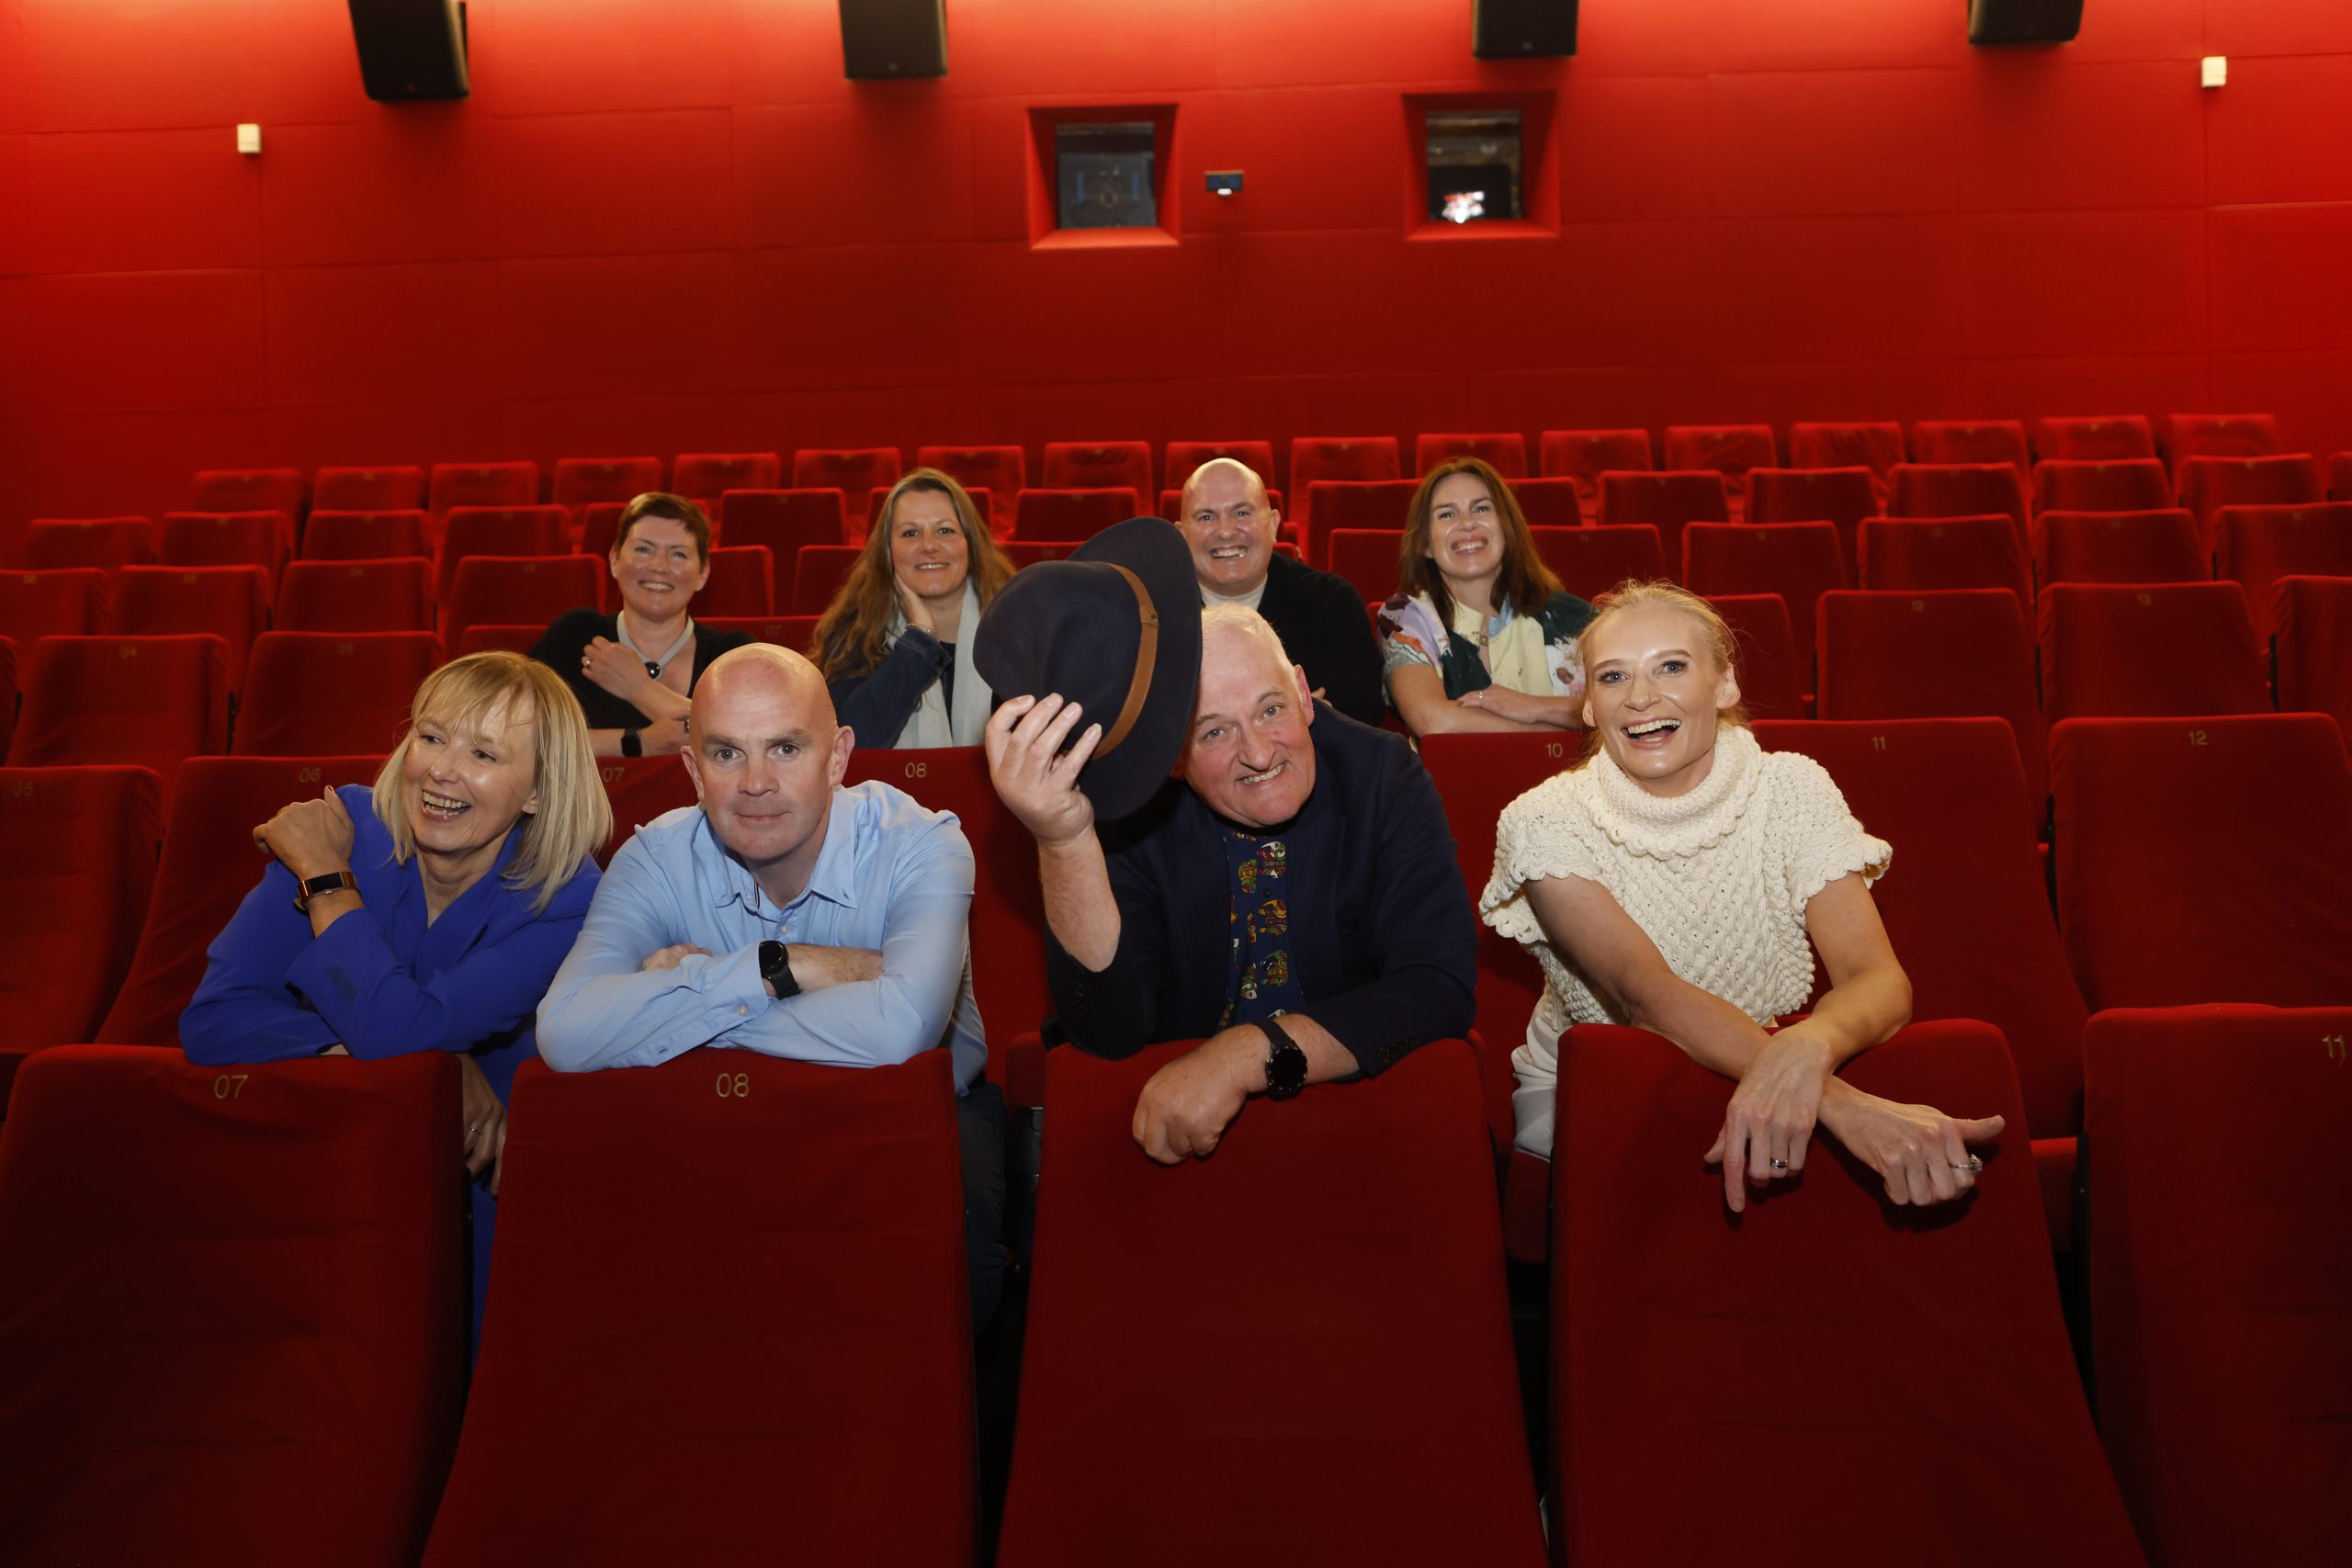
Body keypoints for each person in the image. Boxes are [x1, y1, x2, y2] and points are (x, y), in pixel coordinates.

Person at [1479, 581, 2003, 1210]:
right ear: (1589, 705)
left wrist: (1806, 1047)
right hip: (1605, 1086)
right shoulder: (1544, 821)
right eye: (1613, 676)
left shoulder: (1793, 789)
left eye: (1671, 666)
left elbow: (1878, 979)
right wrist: (1843, 1105)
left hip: (1778, 1050)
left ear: (1724, 684)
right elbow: (1645, 996)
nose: (1641, 697)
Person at [535, 644, 1005, 1329]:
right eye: (727, 754)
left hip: (905, 1121)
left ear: (839, 756)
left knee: (968, 1277)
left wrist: (684, 1002)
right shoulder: (654, 858)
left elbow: (902, 1029)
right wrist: (779, 968)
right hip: (719, 1123)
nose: (755, 781)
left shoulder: (923, 845)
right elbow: (565, 1030)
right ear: (694, 769)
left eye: (785, 748)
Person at [982, 522, 1476, 1166]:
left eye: (1271, 709)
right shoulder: (1134, 811)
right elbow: (1108, 1027)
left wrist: (1250, 1053)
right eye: (1214, 732)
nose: (1259, 752)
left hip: (1350, 1119)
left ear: (1304, 692)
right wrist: (1064, 838)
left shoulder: (1383, 774)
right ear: (1175, 759)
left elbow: (1439, 984)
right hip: (1176, 1133)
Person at [181, 649, 609, 1320]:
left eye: (484, 754)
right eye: (431, 736)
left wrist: (325, 882)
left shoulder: (567, 897)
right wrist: (402, 1061)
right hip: (328, 1153)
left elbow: (402, 1032)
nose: (441, 768)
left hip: (477, 1181)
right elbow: (213, 1020)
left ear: (537, 792)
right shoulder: (347, 828)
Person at [1377, 457, 1596, 738]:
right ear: (1425, 544)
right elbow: (1433, 722)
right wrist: (1562, 727)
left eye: (1481, 508)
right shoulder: (1404, 618)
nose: (1467, 523)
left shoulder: (1578, 619)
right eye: (1446, 514)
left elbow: (1619, 710)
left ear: (1507, 528)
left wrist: (1532, 708)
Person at [530, 491, 752, 759]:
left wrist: (639, 688)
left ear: (703, 573)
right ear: (614, 560)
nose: (659, 566)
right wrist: (638, 742)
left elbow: (749, 742)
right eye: (643, 549)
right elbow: (519, 737)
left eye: (678, 554)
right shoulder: (578, 635)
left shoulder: (732, 655)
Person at [1176, 457, 1386, 727]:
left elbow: (1361, 707)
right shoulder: (1153, 614)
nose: (1226, 532)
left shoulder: (1330, 601)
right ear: (1182, 536)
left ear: (1273, 525)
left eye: (1242, 513)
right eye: (1206, 517)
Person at [813, 468, 1014, 750]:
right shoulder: (855, 630)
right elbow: (848, 748)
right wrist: (918, 641)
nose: (929, 546)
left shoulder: (1017, 628)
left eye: (945, 530)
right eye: (910, 533)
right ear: (887, 551)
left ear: (971, 544)